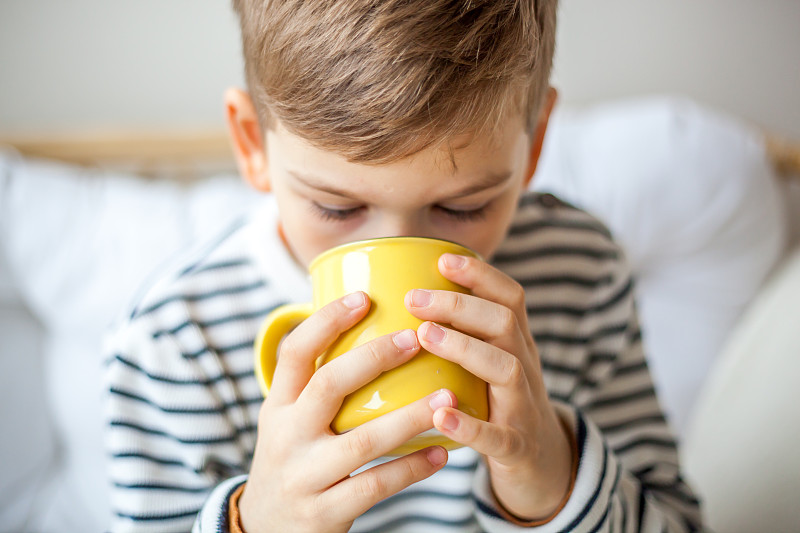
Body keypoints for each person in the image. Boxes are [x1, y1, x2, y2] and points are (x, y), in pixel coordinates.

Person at [103, 1, 704, 531]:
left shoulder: (578, 270)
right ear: (252, 144)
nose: (404, 247)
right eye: (337, 206)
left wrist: (554, 483)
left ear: (536, 142)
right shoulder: (177, 340)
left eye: (463, 206)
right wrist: (258, 524)